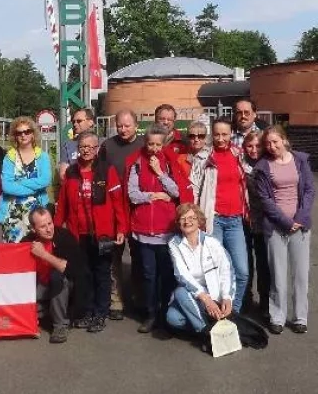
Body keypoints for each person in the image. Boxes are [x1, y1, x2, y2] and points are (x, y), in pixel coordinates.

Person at [54, 132, 128, 332]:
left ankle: (100, 313)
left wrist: (121, 228)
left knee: (101, 274)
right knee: (83, 275)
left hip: (102, 234)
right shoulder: (71, 172)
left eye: (91, 147)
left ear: (97, 150)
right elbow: (62, 204)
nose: (86, 150)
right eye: (83, 146)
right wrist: (57, 228)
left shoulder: (107, 171)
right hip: (79, 234)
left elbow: (118, 203)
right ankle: (86, 311)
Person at [126, 124, 193, 334]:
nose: (154, 148)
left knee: (167, 274)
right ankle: (150, 313)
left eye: (158, 144)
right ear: (145, 143)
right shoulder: (137, 162)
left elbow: (176, 191)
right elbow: (133, 194)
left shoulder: (169, 163)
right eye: (150, 144)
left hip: (166, 230)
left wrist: (159, 172)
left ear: (163, 145)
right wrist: (153, 196)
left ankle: (167, 312)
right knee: (148, 274)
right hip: (144, 230)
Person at [254, 124, 315, 335]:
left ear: (284, 140)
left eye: (275, 142)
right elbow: (265, 199)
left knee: (300, 275)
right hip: (275, 228)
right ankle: (277, 316)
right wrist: (285, 222)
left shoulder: (300, 160)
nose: (271, 146)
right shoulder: (263, 166)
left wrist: (299, 218)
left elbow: (309, 191)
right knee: (277, 275)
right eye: (268, 143)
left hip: (301, 227)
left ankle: (300, 317)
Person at [190, 117, 250, 312]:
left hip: (235, 220)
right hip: (213, 220)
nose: (221, 138)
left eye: (225, 134)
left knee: (241, 271)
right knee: (214, 271)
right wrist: (196, 218)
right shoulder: (204, 157)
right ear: (212, 135)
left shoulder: (239, 155)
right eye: (217, 134)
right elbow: (194, 188)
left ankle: (234, 312)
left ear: (231, 134)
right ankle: (215, 314)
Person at [98, 108, 144, 320]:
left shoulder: (144, 145)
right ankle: (116, 299)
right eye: (120, 125)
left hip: (138, 208)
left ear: (136, 125)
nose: (123, 129)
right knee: (113, 255)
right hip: (114, 207)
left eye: (127, 125)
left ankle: (137, 297)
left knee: (139, 256)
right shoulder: (108, 146)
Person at [167, 203, 234, 336]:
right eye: (183, 218)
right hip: (192, 295)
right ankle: (207, 332)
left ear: (199, 221)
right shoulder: (174, 244)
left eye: (192, 218)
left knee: (180, 293)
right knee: (173, 318)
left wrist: (227, 297)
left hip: (214, 295)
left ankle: (206, 329)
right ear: (178, 222)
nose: (187, 222)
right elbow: (182, 275)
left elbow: (227, 270)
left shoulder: (212, 242)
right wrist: (205, 299)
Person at [26, 207, 90, 344]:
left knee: (57, 276)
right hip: (40, 286)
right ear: (33, 229)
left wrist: (44, 255)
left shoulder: (65, 236)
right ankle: (42, 313)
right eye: (43, 226)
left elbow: (73, 270)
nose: (49, 229)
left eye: (50, 223)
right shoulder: (27, 241)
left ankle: (60, 326)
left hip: (66, 286)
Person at [0, 116, 52, 243]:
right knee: (13, 252)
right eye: (19, 133)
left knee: (36, 248)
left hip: (37, 213)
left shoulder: (43, 156)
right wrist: (33, 188)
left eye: (27, 131)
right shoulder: (9, 157)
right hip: (13, 214)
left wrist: (20, 182)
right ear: (15, 136)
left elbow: (44, 181)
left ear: (33, 134)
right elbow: (7, 186)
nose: (23, 135)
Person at [242, 130, 270, 320]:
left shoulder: (268, 164)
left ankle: (266, 303)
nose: (253, 150)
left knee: (264, 263)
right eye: (250, 146)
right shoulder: (240, 164)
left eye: (257, 146)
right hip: (244, 218)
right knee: (245, 264)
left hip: (264, 220)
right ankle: (246, 300)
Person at [58, 108, 96, 182]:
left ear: (90, 122)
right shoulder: (68, 145)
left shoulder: (102, 144)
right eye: (73, 122)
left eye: (79, 121)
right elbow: (63, 175)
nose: (75, 124)